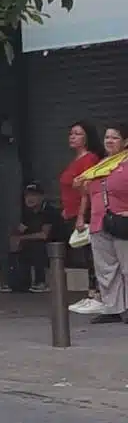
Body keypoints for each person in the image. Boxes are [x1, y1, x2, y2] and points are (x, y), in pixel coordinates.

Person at [69, 124, 128, 323]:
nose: (109, 141)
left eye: (115, 138)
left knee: (127, 267)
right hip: (99, 222)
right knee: (106, 269)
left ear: (126, 142)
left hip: (122, 221)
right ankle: (113, 308)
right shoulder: (101, 165)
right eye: (107, 137)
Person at [59, 121, 103, 295]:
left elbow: (87, 190)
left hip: (84, 213)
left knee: (91, 254)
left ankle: (95, 291)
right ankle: (93, 291)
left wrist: (80, 216)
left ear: (86, 138)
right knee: (84, 254)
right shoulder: (75, 160)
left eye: (77, 134)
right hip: (72, 211)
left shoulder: (89, 158)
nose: (72, 137)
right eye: (71, 133)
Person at [8, 183, 61, 293]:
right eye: (27, 196)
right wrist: (14, 238)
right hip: (34, 243)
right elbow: (20, 229)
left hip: (55, 245)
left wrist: (21, 238)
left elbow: (44, 235)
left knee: (37, 246)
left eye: (34, 195)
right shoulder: (28, 213)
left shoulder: (49, 211)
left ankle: (41, 282)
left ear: (42, 197)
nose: (30, 199)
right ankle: (18, 282)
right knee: (18, 246)